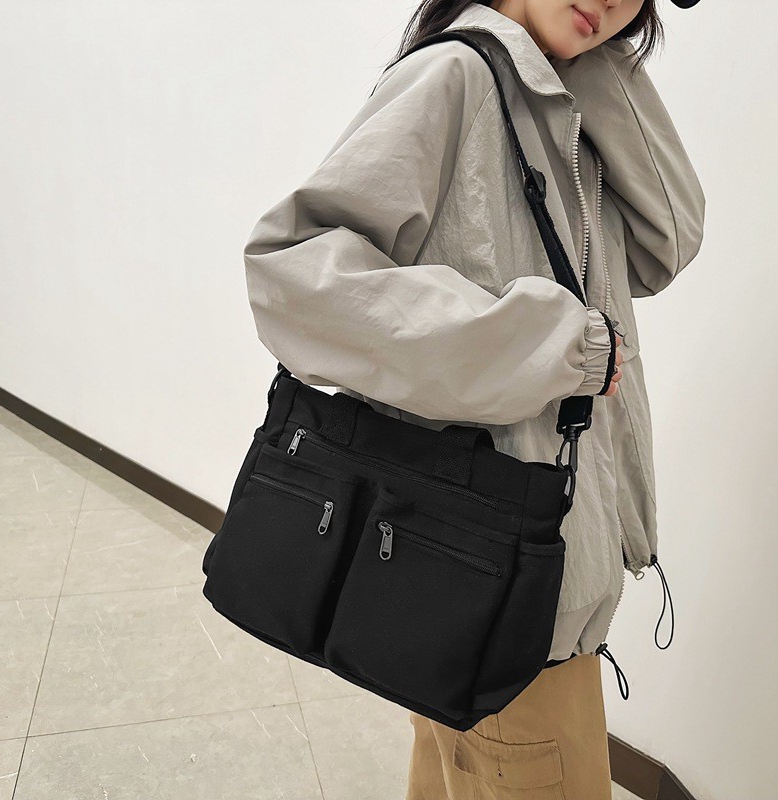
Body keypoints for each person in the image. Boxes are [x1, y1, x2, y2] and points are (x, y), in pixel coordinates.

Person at [243, 0, 705, 797]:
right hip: (500, 581)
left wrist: (591, 65)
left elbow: (664, 241)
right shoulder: (453, 78)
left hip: (492, 569)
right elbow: (294, 277)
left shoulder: (556, 107)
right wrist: (553, 346)